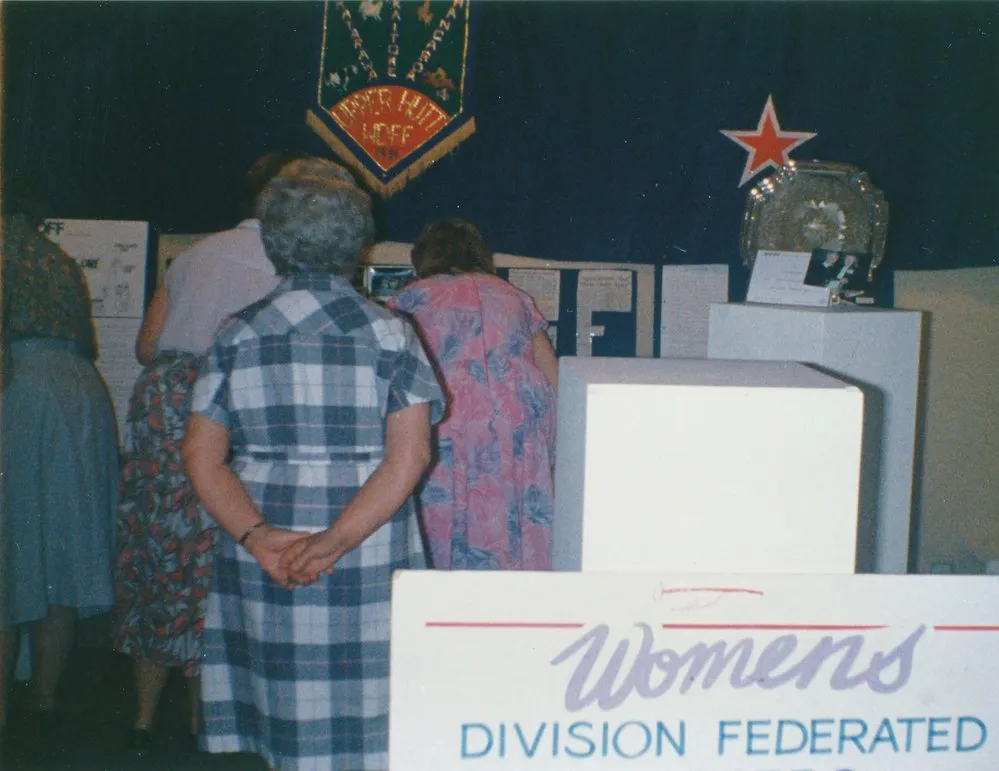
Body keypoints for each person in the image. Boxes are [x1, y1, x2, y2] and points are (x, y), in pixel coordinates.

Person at [182, 157, 444, 771]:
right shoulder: (390, 333)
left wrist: (257, 536)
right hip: (366, 538)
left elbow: (199, 454)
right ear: (358, 245)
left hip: (268, 539)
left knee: (283, 703)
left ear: (274, 242)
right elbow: (411, 455)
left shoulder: (236, 334)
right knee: (372, 710)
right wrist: (335, 540)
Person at [112, 152, 297, 750]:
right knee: (218, 556)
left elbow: (146, 347)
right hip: (231, 405)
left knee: (155, 557)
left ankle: (142, 719)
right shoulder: (285, 263)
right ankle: (205, 723)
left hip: (163, 405)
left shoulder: (193, 255)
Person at [0, 177, 120, 738]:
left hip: (22, 389)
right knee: (59, 557)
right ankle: (44, 702)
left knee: (10, 550)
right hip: (79, 391)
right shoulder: (56, 257)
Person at [387, 219, 559, 570]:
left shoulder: (409, 298)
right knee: (511, 517)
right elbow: (552, 375)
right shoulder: (513, 295)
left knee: (443, 517)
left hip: (444, 420)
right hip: (514, 426)